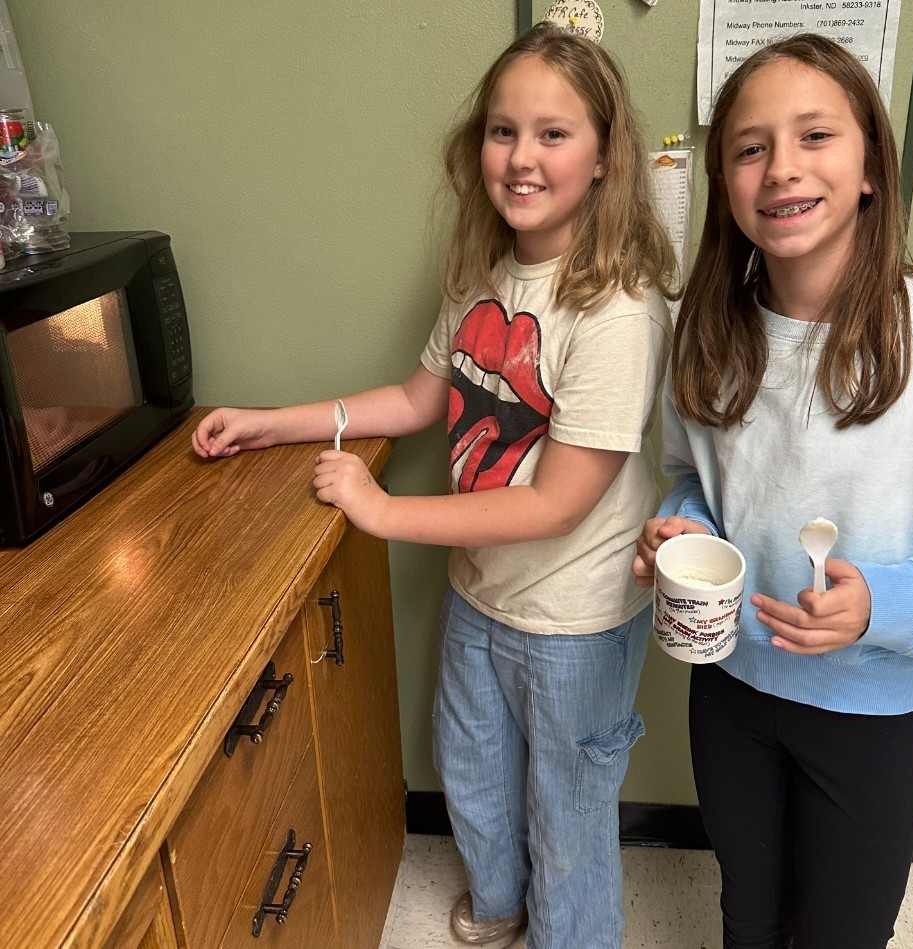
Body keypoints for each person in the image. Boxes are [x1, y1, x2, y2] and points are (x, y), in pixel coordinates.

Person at [194, 21, 676, 949]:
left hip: (575, 618)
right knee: (475, 768)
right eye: (503, 131)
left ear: (606, 157)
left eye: (552, 132)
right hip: (480, 593)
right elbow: (420, 396)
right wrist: (273, 421)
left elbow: (557, 501)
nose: (522, 157)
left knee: (568, 811)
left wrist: (379, 511)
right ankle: (498, 903)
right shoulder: (484, 274)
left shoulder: (616, 308)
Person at [633, 33, 913, 949]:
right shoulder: (707, 337)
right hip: (733, 693)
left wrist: (883, 605)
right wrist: (684, 535)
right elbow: (691, 479)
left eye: (813, 135)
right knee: (748, 909)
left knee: (841, 930)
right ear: (725, 185)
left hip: (871, 712)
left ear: (869, 163)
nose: (780, 167)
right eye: (748, 147)